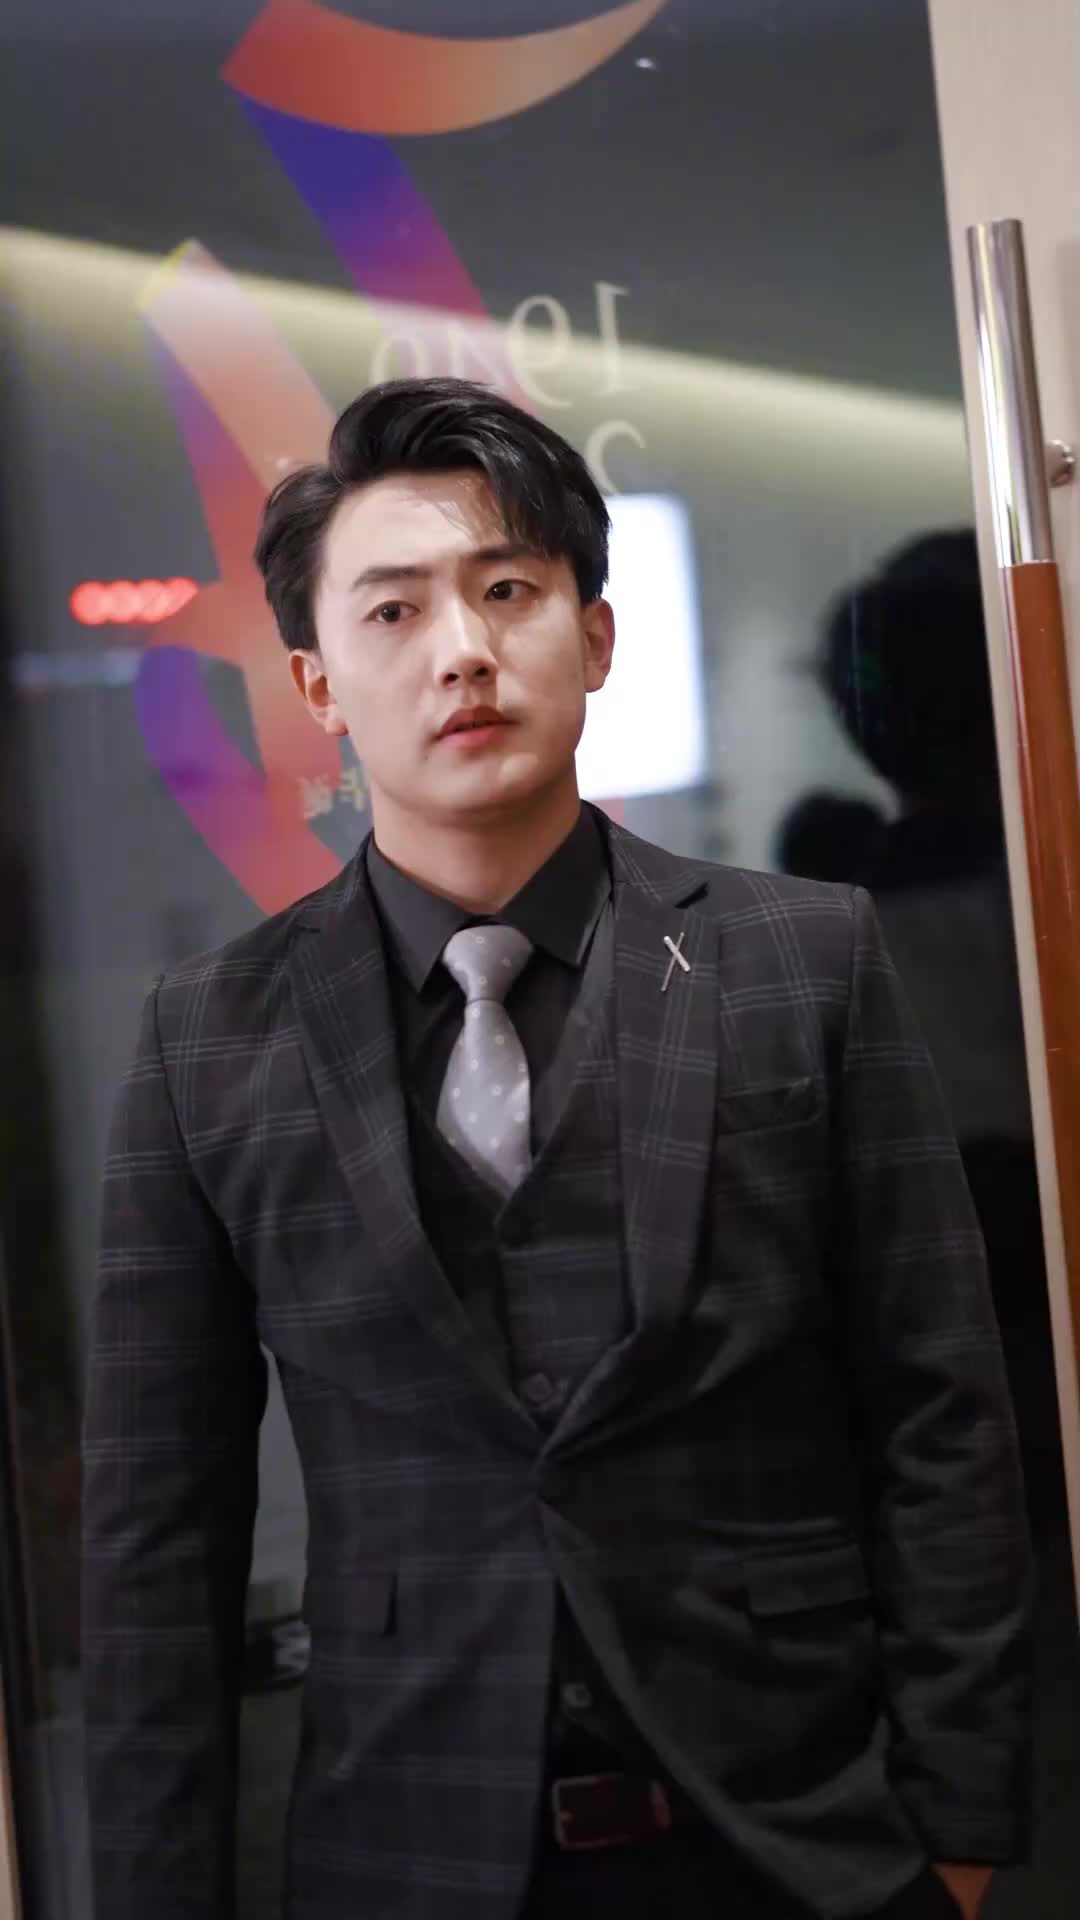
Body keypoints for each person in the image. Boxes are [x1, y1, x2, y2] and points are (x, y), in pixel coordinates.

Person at [82, 379, 1032, 1920]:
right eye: (394, 612)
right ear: (321, 687)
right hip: (403, 1845)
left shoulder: (804, 957)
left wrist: (962, 1828)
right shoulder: (210, 1038)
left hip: (799, 1838)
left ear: (594, 637)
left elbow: (940, 1408)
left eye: (509, 591)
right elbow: (156, 1536)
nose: (461, 648)